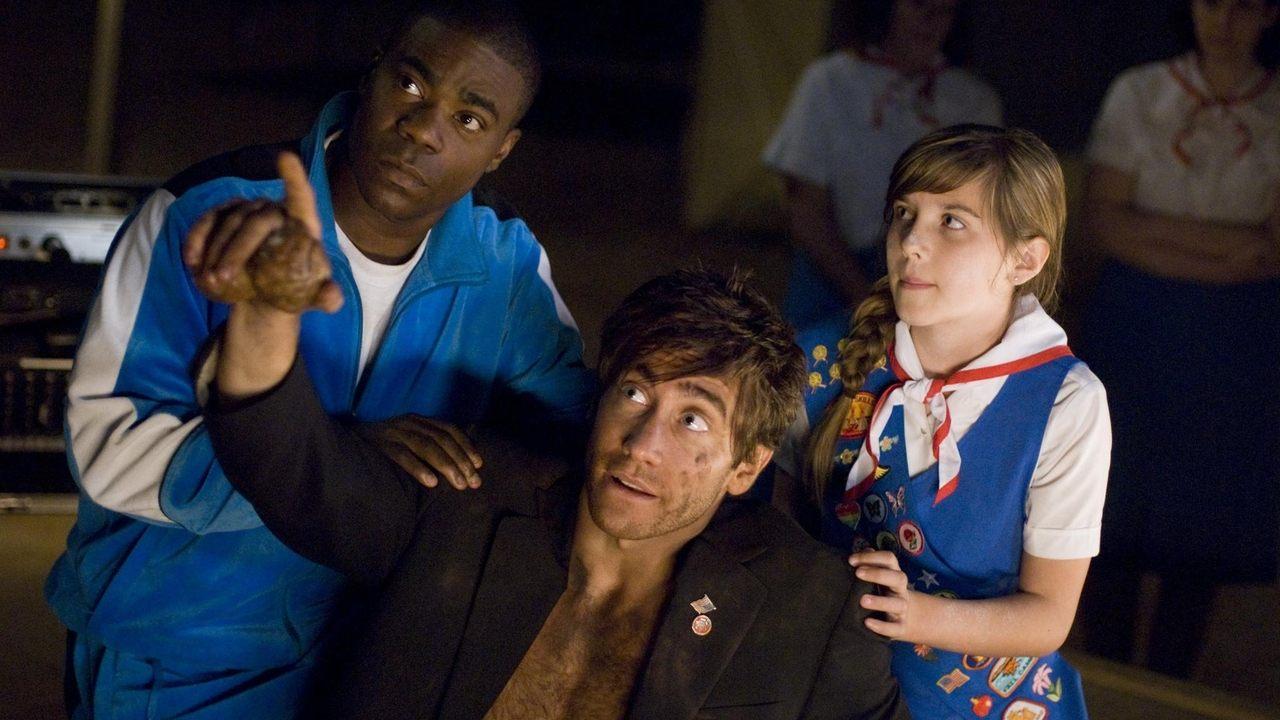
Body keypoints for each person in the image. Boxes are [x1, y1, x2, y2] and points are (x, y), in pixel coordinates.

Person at [45, 3, 594, 717]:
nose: (423, 129)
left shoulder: (506, 262)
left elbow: (570, 443)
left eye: (468, 119)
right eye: (410, 85)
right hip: (179, 656)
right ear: (372, 75)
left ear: (500, 150)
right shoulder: (211, 216)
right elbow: (110, 452)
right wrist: (335, 461)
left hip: (367, 655)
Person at [198, 244, 909, 719]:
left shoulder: (812, 609)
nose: (642, 445)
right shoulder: (464, 493)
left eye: (693, 420)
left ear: (746, 465)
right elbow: (291, 471)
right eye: (635, 393)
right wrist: (263, 315)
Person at [772, 125, 1110, 719]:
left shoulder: (1065, 403)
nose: (910, 243)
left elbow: (1048, 617)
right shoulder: (823, 359)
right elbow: (771, 527)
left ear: (1025, 258)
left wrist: (917, 615)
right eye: (904, 214)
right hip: (829, 688)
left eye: (952, 221)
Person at [1077, 0, 1280, 678]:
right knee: (1115, 490)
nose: (1223, 20)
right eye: (1210, 2)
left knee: (1207, 506)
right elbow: (1107, 220)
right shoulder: (1141, 92)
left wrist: (1160, 233)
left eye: (1242, 5)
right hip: (1138, 319)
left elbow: (1273, 249)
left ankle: (1171, 679)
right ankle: (1106, 672)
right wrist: (1229, 248)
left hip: (1236, 330)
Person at [762, 0, 1002, 329]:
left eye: (944, 10)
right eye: (919, 4)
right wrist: (866, 297)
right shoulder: (830, 82)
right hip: (833, 275)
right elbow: (805, 208)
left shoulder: (972, 101)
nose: (930, 20)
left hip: (933, 276)